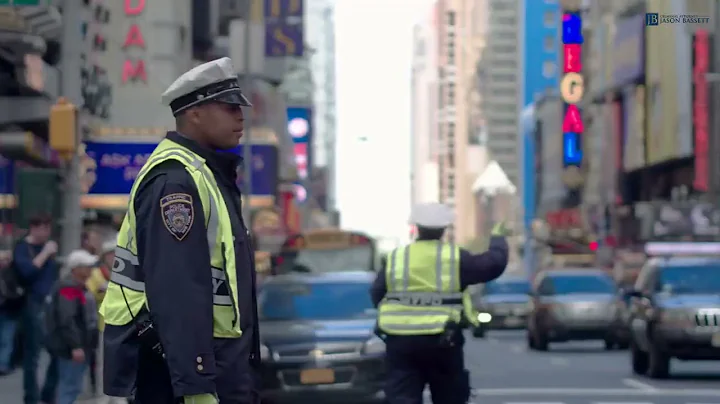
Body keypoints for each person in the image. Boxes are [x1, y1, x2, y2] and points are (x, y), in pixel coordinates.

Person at [100, 57, 260, 404]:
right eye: (229, 107)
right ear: (195, 113)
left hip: (215, 364)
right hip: (186, 375)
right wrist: (196, 384)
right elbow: (178, 290)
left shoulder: (206, 174)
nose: (240, 116)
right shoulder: (176, 180)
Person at [370, 203, 509, 404]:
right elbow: (493, 265)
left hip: (400, 341)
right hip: (442, 340)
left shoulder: (396, 257)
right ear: (445, 229)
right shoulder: (454, 257)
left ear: (416, 227)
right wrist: (497, 239)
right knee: (448, 396)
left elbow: (376, 293)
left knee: (402, 398)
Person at [13, 213, 60, 404]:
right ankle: (31, 398)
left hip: (51, 303)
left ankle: (48, 394)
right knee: (32, 355)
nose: (46, 232)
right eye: (43, 228)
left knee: (57, 350)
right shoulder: (23, 248)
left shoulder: (48, 249)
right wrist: (46, 253)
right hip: (33, 302)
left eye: (48, 228)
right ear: (34, 228)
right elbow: (27, 272)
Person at [44, 249, 98, 404]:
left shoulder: (77, 287)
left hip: (76, 346)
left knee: (70, 386)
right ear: (76, 269)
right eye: (86, 266)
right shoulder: (69, 288)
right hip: (71, 349)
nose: (90, 269)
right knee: (70, 387)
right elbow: (67, 319)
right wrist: (76, 346)